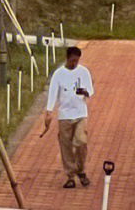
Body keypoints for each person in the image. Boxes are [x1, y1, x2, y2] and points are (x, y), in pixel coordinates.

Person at [44, 45, 94, 189]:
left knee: (81, 142)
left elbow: (90, 90)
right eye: (72, 61)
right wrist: (49, 110)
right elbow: (53, 93)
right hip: (65, 115)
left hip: (80, 113)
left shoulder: (84, 72)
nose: (74, 64)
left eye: (76, 61)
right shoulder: (59, 74)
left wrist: (85, 92)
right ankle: (70, 175)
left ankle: (81, 169)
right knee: (65, 146)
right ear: (67, 58)